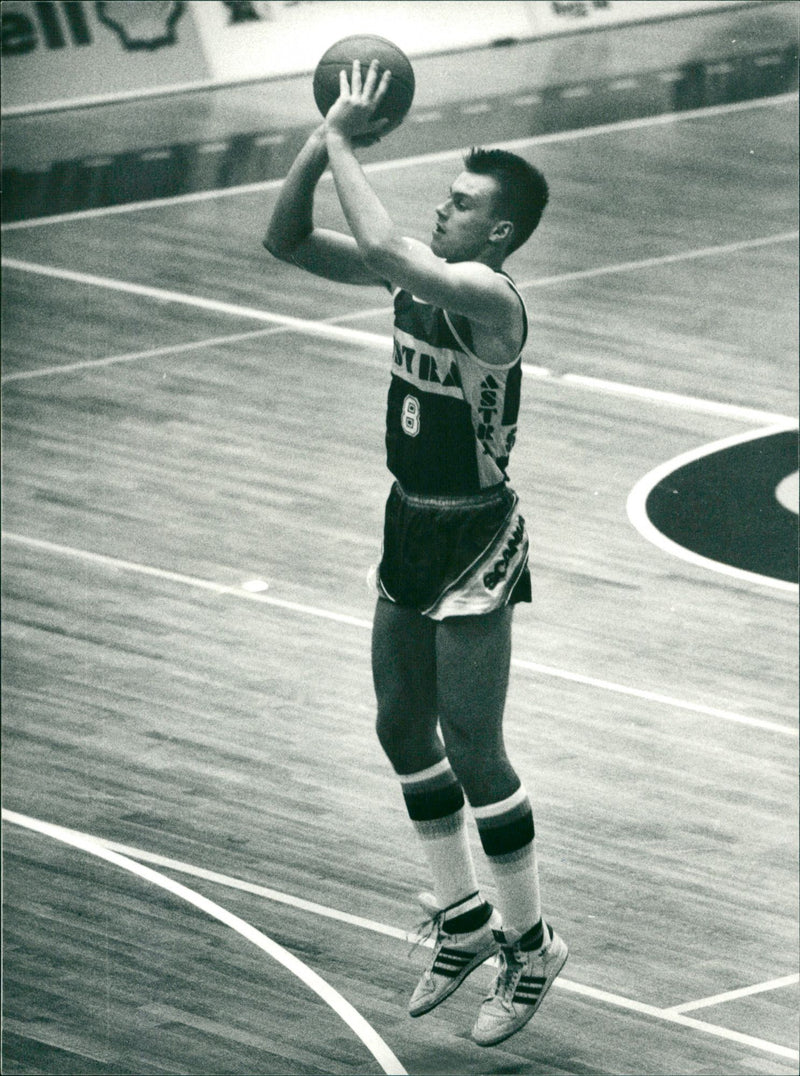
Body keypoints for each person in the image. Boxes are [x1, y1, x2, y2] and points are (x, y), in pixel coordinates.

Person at [265, 58, 567, 1048]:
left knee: (474, 748)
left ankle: (529, 942)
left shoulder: (484, 296)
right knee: (402, 726)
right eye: (442, 198)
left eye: (459, 203)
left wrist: (348, 139)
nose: (441, 209)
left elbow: (393, 250)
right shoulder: (411, 273)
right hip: (408, 517)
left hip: (476, 528)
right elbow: (283, 238)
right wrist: (319, 141)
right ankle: (463, 921)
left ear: (498, 233)